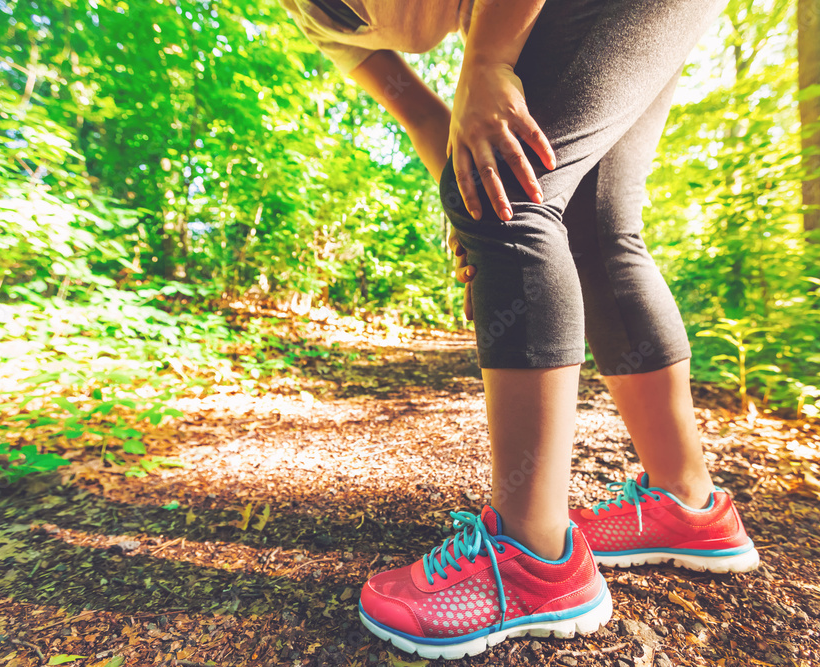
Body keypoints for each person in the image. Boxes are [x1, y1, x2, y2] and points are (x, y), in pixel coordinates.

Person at [279, 0, 760, 659]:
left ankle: (535, 562)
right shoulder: (316, 17)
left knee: (512, 186)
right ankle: (687, 502)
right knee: (592, 226)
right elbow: (428, 120)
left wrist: (489, 61)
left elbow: (494, 150)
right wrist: (472, 212)